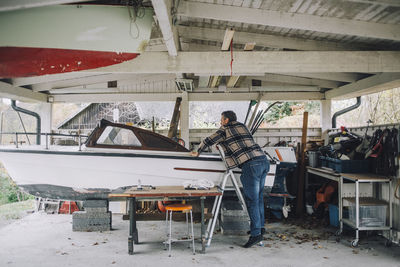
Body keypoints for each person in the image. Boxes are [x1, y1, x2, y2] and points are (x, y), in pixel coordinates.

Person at [191, 110, 270, 248]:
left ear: (226, 120)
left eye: (221, 119)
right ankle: (260, 228)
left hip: (250, 165)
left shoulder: (225, 129)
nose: (220, 122)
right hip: (263, 161)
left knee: (252, 201)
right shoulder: (243, 126)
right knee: (258, 198)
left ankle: (256, 234)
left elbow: (209, 140)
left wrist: (198, 151)